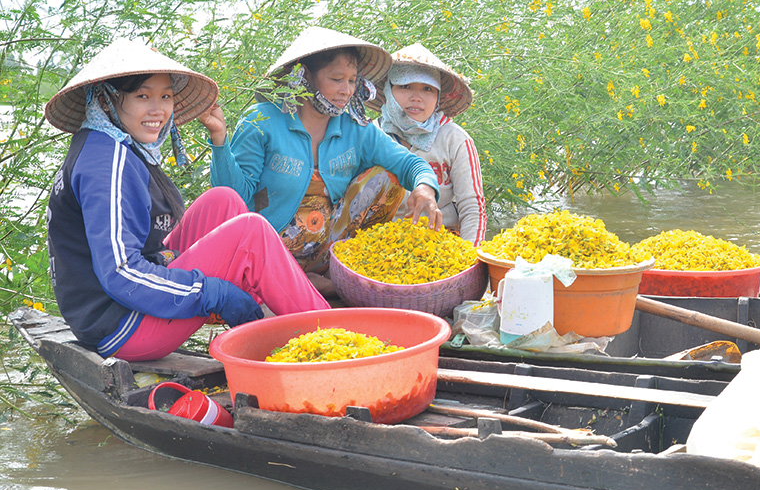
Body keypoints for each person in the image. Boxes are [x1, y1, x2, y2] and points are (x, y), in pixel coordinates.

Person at [45, 39, 329, 362]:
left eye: (165, 96)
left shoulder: (114, 141)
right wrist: (211, 293)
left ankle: (267, 325)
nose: (158, 110)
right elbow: (121, 273)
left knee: (225, 201)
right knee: (251, 233)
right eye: (142, 96)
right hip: (121, 325)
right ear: (107, 100)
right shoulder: (105, 162)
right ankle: (332, 337)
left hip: (129, 302)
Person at [207, 27, 442, 296]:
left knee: (387, 178)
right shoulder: (263, 121)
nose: (346, 90)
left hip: (329, 246)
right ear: (305, 76)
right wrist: (219, 140)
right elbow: (234, 196)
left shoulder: (355, 127)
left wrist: (425, 187)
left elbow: (408, 164)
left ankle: (337, 273)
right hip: (270, 251)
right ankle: (294, 281)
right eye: (336, 79)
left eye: (352, 80)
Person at [368, 43, 487, 245]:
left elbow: (472, 206)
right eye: (405, 86)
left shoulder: (456, 140)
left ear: (438, 97)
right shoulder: (369, 136)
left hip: (443, 240)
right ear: (388, 90)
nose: (416, 97)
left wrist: (471, 261)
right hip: (381, 240)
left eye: (427, 89)